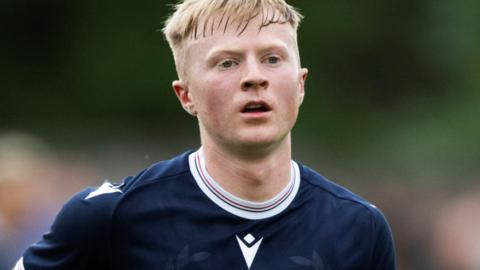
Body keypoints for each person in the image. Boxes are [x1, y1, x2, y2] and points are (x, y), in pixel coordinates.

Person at [14, 0, 396, 269]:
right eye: (227, 62)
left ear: (300, 85)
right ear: (186, 96)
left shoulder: (359, 228)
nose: (254, 76)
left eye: (272, 58)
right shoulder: (109, 216)